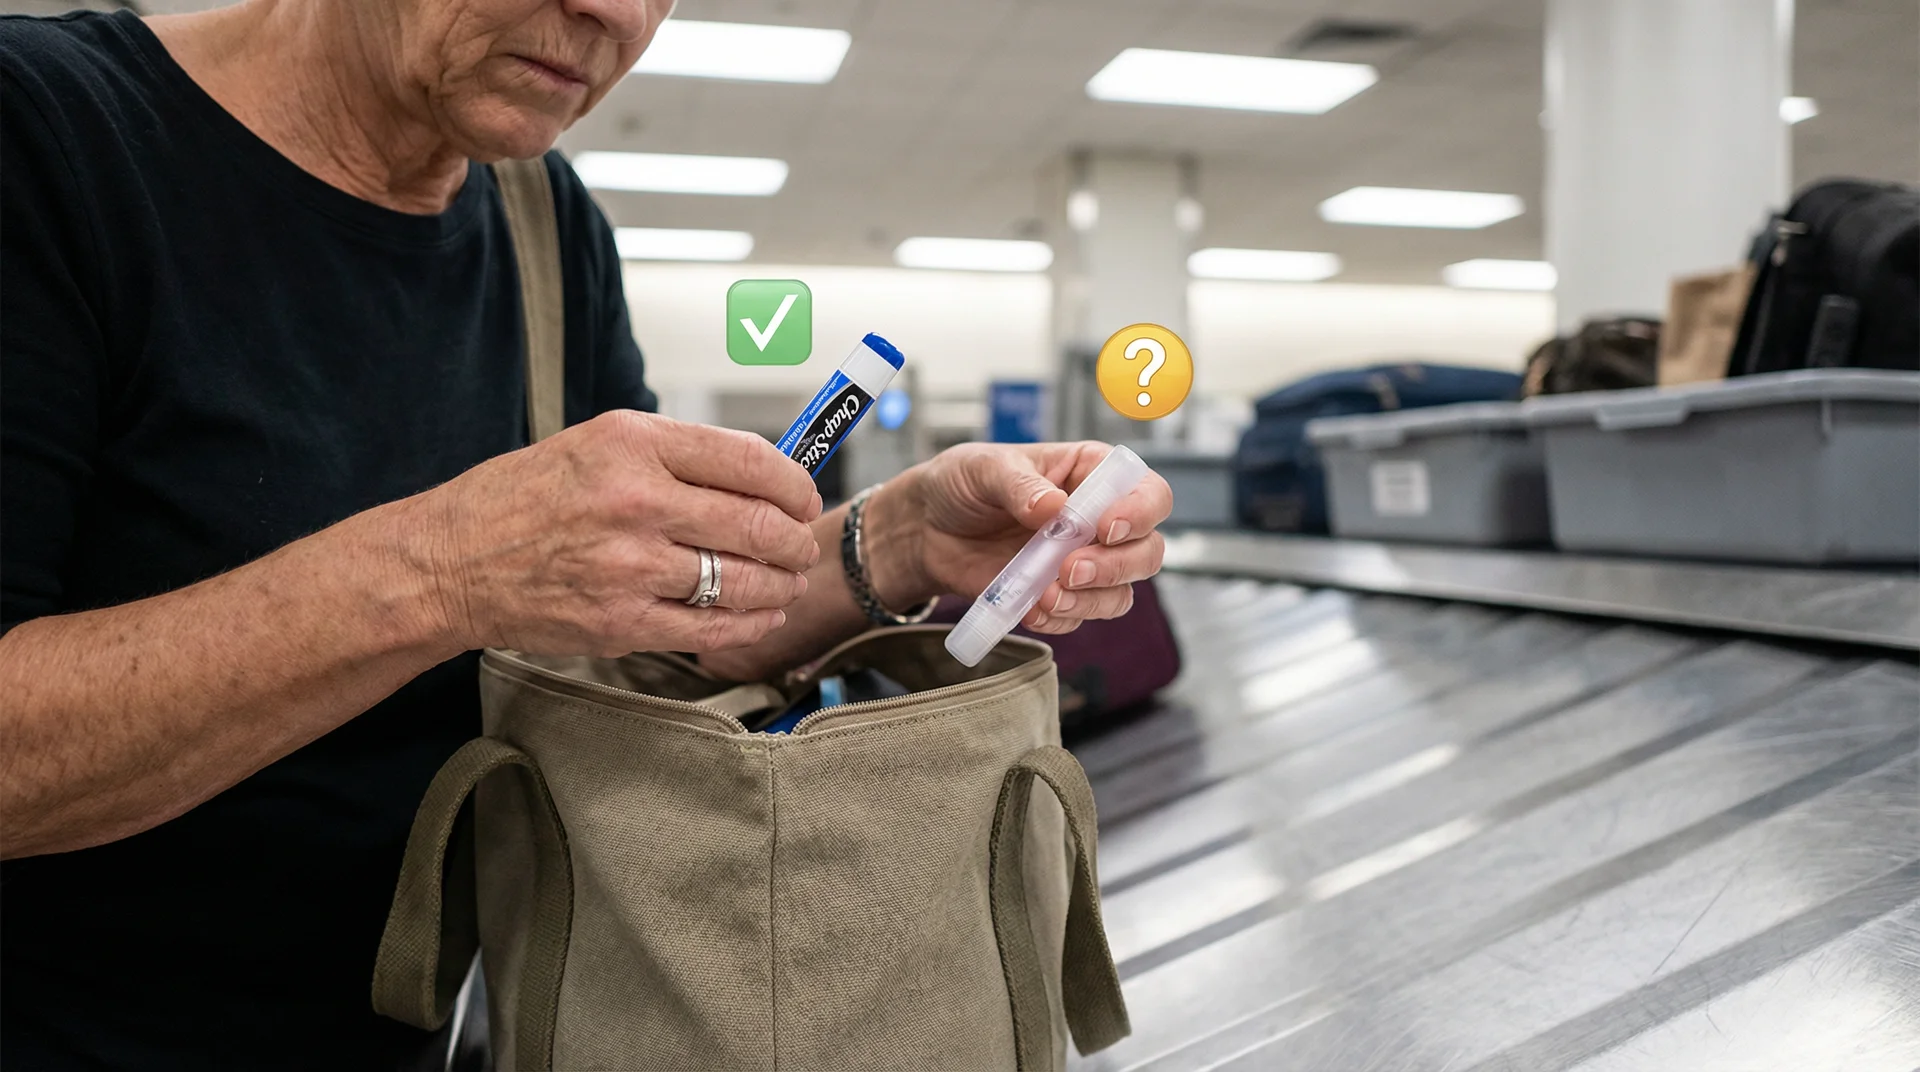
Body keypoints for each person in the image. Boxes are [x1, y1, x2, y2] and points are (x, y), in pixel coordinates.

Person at [0, 0, 1173, 1067]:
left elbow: (659, 629)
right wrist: (448, 568)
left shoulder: (542, 225)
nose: (615, 13)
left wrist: (899, 542)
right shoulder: (46, 137)